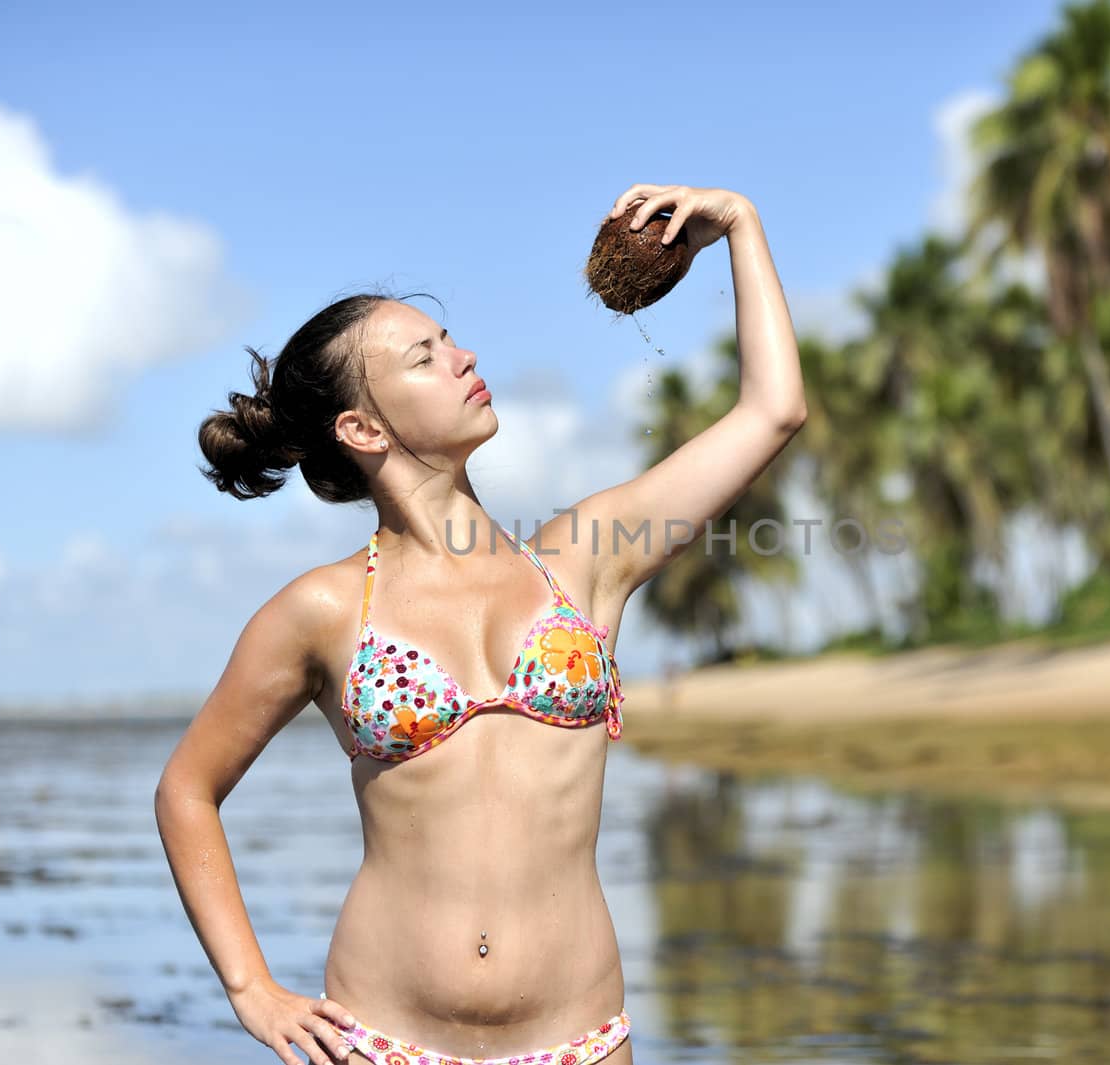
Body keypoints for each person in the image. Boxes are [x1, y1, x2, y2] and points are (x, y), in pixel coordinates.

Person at [154, 183, 807, 1065]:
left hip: (577, 1041)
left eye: (449, 339)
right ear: (362, 427)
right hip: (384, 1041)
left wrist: (738, 223)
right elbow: (188, 790)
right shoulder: (324, 609)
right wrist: (251, 989)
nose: (463, 357)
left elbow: (772, 411)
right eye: (424, 357)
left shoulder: (586, 557)